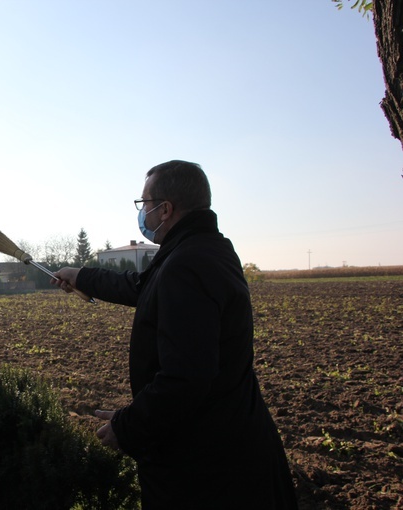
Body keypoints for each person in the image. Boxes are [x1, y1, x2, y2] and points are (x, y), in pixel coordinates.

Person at [52, 160, 298, 509]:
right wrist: (81, 276)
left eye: (144, 204)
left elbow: (186, 378)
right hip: (227, 446)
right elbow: (141, 286)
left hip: (208, 471)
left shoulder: (187, 264)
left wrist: (128, 427)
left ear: (165, 209)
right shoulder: (205, 249)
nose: (142, 214)